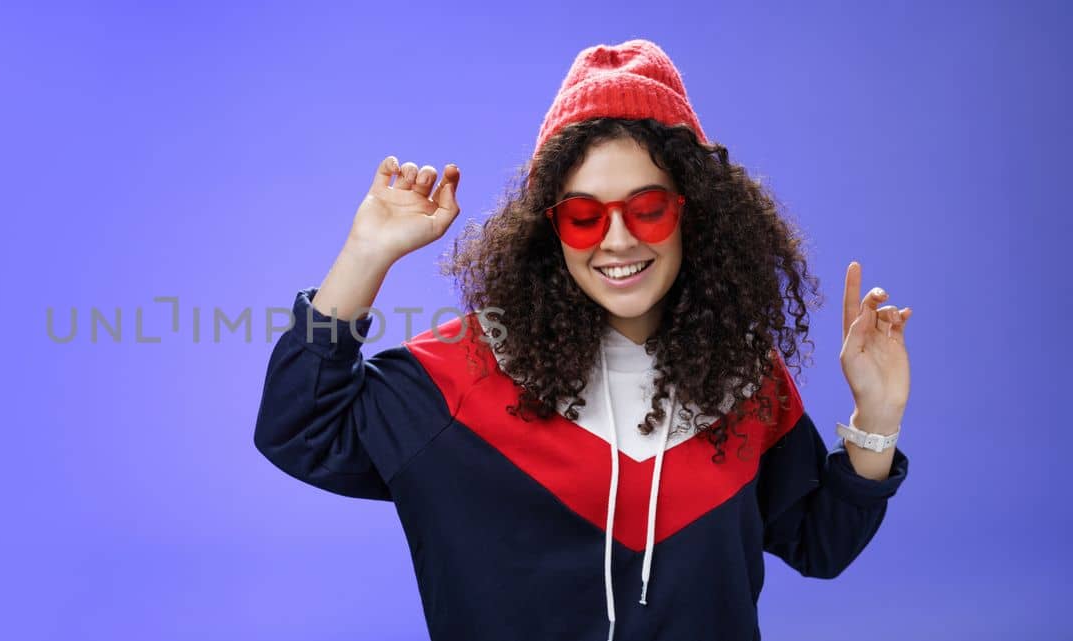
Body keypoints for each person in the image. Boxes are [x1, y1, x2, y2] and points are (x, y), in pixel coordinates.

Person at [252, 39, 912, 641]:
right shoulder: (462, 379)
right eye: (584, 215)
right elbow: (297, 425)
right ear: (551, 230)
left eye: (648, 208)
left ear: (695, 213)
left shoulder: (743, 379)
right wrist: (364, 256)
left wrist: (876, 416)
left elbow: (818, 544)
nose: (618, 239)